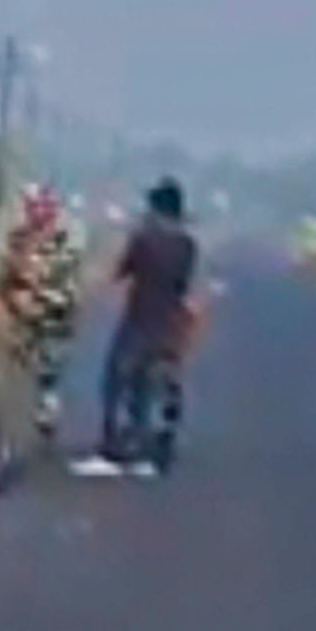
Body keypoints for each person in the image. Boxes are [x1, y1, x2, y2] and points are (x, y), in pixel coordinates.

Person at [81, 179, 206, 478]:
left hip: (139, 321)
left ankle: (113, 449)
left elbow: (121, 272)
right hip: (170, 325)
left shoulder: (144, 239)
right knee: (154, 388)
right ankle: (152, 454)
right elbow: (186, 286)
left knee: (117, 383)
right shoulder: (187, 245)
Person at [0, 181, 84, 446]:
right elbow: (3, 267)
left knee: (50, 364)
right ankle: (16, 414)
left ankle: (46, 407)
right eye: (31, 206)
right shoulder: (17, 235)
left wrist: (29, 276)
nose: (36, 211)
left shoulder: (68, 236)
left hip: (54, 307)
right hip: (20, 310)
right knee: (15, 362)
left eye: (41, 205)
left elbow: (61, 269)